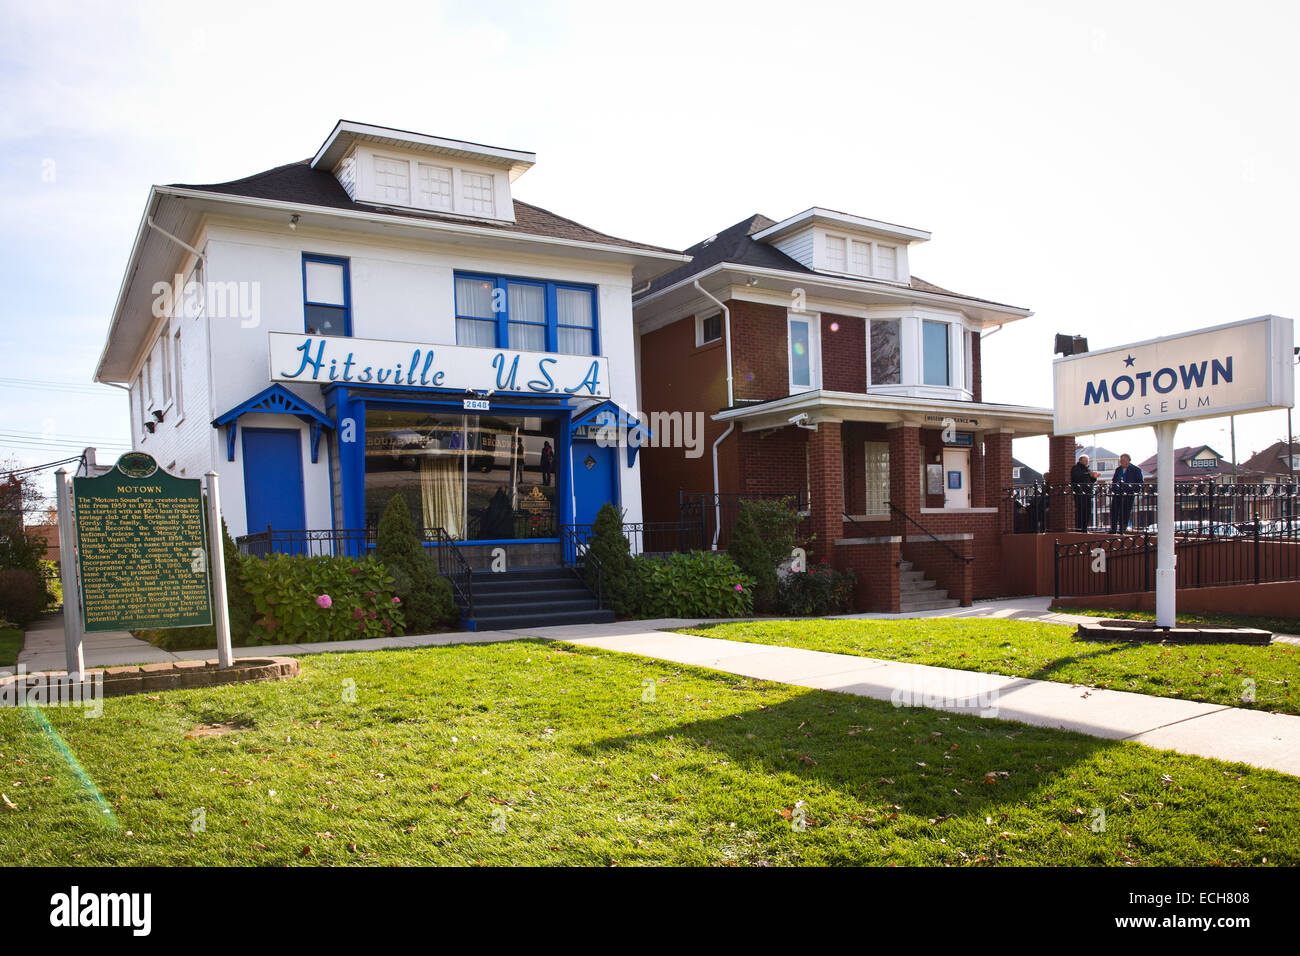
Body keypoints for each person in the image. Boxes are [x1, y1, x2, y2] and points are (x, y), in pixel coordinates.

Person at [1109, 453, 1143, 533]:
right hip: (1117, 494)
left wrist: (1132, 490)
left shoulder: (1136, 469)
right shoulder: (1118, 469)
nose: (1121, 462)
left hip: (1128, 495)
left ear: (1128, 460)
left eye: (1123, 460)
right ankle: (1113, 529)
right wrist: (1114, 489)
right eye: (1120, 461)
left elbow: (1140, 483)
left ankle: (1122, 529)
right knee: (1114, 511)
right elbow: (1114, 480)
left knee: (1125, 512)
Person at [1070, 454, 1099, 532]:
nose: (1087, 462)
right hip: (1079, 493)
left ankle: (1085, 527)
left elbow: (1090, 481)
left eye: (1087, 461)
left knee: (1088, 511)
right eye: (1085, 461)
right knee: (1081, 511)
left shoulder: (1088, 470)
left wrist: (1093, 477)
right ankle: (1079, 528)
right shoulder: (1076, 468)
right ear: (1080, 461)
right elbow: (1077, 477)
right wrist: (1088, 474)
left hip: (1088, 493)